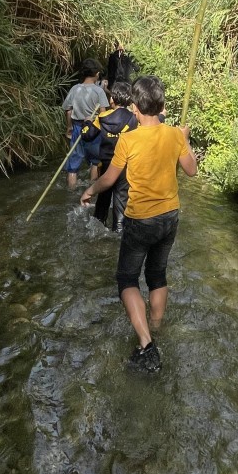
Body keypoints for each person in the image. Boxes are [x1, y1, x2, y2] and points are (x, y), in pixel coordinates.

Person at [81, 75, 197, 372]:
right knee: (157, 275)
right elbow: (192, 171)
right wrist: (184, 139)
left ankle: (146, 343)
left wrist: (90, 190)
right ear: (162, 106)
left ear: (134, 107)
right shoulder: (173, 135)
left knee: (127, 279)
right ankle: (156, 328)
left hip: (140, 219)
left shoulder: (129, 139)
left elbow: (109, 178)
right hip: (170, 217)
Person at [82, 81, 137, 231]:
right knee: (121, 200)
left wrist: (86, 123)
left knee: (103, 199)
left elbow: (87, 136)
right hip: (124, 167)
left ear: (112, 99)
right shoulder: (134, 118)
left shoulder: (102, 117)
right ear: (130, 100)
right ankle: (119, 232)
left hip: (106, 165)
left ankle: (97, 228)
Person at [62, 59, 109, 190]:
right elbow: (103, 114)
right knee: (95, 161)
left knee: (73, 164)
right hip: (93, 130)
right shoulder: (99, 91)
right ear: (97, 74)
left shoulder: (74, 89)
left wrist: (69, 127)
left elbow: (68, 110)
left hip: (77, 128)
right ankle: (91, 191)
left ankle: (71, 191)